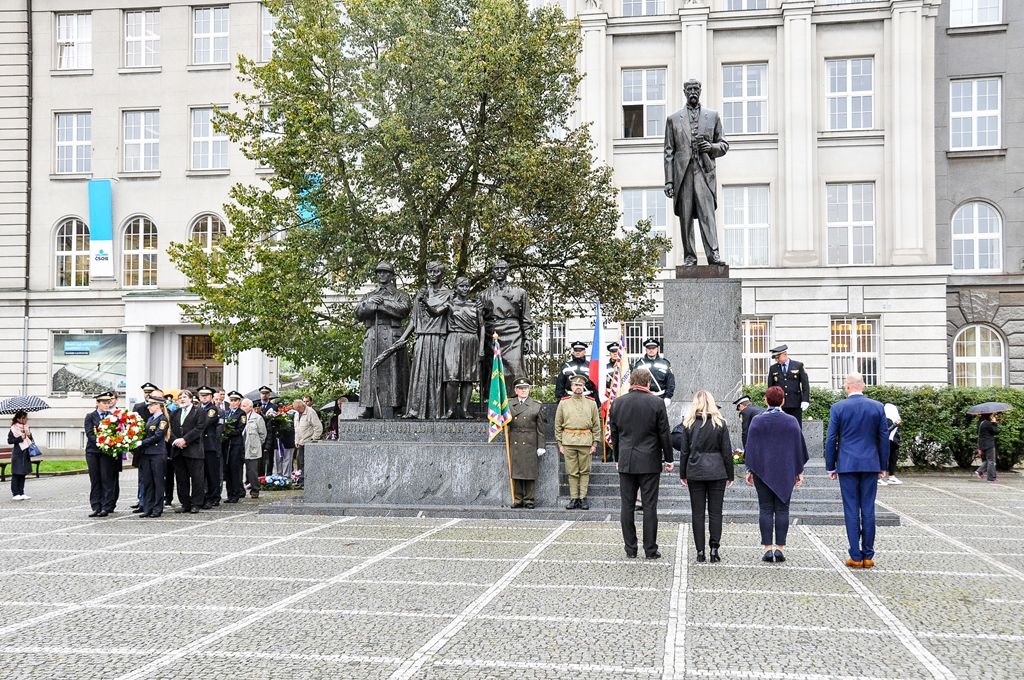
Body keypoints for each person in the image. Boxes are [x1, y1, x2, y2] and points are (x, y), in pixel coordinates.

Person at [825, 372, 889, 569]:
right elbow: (883, 438)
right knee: (868, 508)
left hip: (847, 464)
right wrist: (883, 465)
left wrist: (831, 465)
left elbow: (831, 438)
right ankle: (868, 555)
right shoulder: (877, 407)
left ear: (847, 387)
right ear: (863, 385)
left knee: (851, 509)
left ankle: (855, 555)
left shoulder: (838, 407)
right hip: (870, 463)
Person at [609, 367, 674, 560]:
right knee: (649, 506)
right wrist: (669, 458)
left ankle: (630, 549)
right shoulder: (657, 403)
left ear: (631, 382)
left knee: (627, 506)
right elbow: (664, 433)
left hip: (626, 460)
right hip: (649, 461)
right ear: (648, 383)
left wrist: (617, 458)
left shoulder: (618, 403)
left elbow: (614, 434)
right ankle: (650, 549)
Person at [663, 78, 729, 266]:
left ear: (700, 91)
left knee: (707, 215)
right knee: (685, 218)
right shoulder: (673, 119)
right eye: (689, 89)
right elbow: (668, 152)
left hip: (704, 173)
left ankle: (713, 254)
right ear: (684, 92)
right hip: (683, 174)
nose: (693, 92)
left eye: (695, 89)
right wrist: (669, 181)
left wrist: (711, 147)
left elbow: (724, 145)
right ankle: (689, 257)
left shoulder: (712, 116)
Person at [743, 386, 808, 563]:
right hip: (785, 471)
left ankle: (767, 549)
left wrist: (750, 470)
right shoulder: (791, 421)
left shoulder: (757, 421)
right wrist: (799, 471)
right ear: (783, 401)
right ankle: (780, 549)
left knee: (765, 508)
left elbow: (751, 447)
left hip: (762, 470)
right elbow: (798, 448)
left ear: (765, 400)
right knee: (782, 509)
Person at [676, 390, 734, 563]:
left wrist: (683, 473)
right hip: (717, 471)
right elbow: (727, 452)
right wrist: (730, 474)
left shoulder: (689, 423)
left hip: (695, 470)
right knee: (716, 513)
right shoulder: (720, 423)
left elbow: (684, 452)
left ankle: (700, 551)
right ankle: (714, 549)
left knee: (698, 513)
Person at [355, 261, 413, 419]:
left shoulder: (401, 295)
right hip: (373, 335)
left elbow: (404, 310)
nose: (382, 275)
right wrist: (370, 303)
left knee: (396, 371)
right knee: (371, 370)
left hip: (392, 335)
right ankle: (369, 405)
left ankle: (398, 406)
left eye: (385, 272)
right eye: (379, 272)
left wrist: (383, 304)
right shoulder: (369, 296)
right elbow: (358, 312)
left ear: (391, 275)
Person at [404, 261, 451, 420]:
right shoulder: (421, 293)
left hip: (438, 338)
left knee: (437, 375)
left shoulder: (449, 294)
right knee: (419, 374)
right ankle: (415, 410)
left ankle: (436, 411)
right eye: (430, 271)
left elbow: (437, 312)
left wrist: (424, 301)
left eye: (436, 271)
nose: (432, 274)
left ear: (442, 274)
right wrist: (403, 339)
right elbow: (414, 319)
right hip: (421, 338)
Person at [480, 259, 534, 388]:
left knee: (515, 366)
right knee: (492, 368)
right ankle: (492, 397)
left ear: (507, 271)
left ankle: (515, 396)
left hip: (513, 334)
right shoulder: (483, 294)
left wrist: (527, 338)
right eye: (496, 269)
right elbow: (480, 320)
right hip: (492, 334)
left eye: (502, 268)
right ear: (492, 271)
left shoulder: (520, 292)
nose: (499, 271)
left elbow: (525, 317)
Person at [438, 277, 484, 419]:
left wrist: (481, 347)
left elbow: (482, 326)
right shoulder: (450, 304)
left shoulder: (475, 305)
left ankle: (464, 409)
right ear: (456, 288)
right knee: (452, 377)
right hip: (454, 339)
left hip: (471, 340)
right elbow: (435, 312)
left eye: (467, 286)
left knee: (468, 378)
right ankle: (451, 409)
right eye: (461, 286)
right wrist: (425, 303)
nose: (465, 288)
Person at [555, 375, 601, 510]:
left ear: (583, 387)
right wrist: (560, 444)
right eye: (575, 385)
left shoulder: (591, 403)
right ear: (571, 387)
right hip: (568, 441)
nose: (578, 387)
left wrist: (595, 443)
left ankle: (583, 498)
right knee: (572, 472)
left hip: (586, 442)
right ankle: (574, 498)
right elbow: (558, 425)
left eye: (580, 385)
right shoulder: (564, 403)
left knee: (585, 471)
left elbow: (596, 425)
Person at [507, 380, 546, 509]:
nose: (523, 390)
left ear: (529, 389)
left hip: (530, 442)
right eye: (520, 388)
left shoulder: (536, 405)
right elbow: (505, 423)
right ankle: (518, 499)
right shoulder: (509, 404)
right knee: (516, 471)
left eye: (526, 388)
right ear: (516, 390)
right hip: (515, 440)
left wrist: (541, 446)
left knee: (529, 472)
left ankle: (529, 499)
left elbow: (540, 428)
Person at [169, 390, 206, 513]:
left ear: (190, 399)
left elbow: (199, 428)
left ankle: (196, 503)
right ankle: (185, 503)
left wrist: (185, 440)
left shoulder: (199, 411)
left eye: (184, 397)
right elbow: (169, 430)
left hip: (193, 450)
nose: (182, 399)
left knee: (197, 479)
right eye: (180, 397)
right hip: (178, 451)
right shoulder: (175, 413)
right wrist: (175, 441)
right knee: (181, 479)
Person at [84, 391, 119, 517]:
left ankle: (106, 506)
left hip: (106, 453)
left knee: (106, 479)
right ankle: (96, 506)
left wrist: (111, 444)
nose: (106, 405)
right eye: (104, 403)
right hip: (93, 452)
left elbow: (117, 433)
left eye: (108, 403)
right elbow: (90, 434)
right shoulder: (90, 416)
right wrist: (102, 443)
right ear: (97, 403)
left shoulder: (112, 417)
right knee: (95, 479)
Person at [135, 395, 169, 518]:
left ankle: (157, 508)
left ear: (158, 406)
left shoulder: (163, 419)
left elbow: (158, 436)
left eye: (151, 405)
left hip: (157, 454)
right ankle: (148, 508)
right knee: (148, 481)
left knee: (158, 481)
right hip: (147, 454)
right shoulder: (150, 419)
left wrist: (142, 442)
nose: (148, 407)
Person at [766, 345, 810, 428]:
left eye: (778, 357)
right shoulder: (773, 368)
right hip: (780, 404)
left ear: (785, 355)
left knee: (795, 427)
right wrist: (770, 401)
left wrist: (805, 400)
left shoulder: (798, 365)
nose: (776, 360)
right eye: (775, 358)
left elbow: (805, 384)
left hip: (795, 403)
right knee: (781, 427)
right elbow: (770, 387)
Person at [196, 386, 223, 508]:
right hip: (199, 445)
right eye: (202, 395)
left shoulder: (212, 409)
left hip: (209, 445)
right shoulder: (197, 408)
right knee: (201, 474)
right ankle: (203, 496)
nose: (204, 397)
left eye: (206, 395)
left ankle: (214, 497)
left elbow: (205, 423)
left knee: (212, 473)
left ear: (211, 397)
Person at [631, 339, 675, 407]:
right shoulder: (639, 364)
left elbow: (670, 382)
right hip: (643, 398)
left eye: (653, 348)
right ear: (646, 349)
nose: (651, 350)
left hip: (661, 397)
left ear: (657, 349)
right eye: (649, 348)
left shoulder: (665, 363)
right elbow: (634, 381)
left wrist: (668, 397)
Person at [241, 399, 267, 498]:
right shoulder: (240, 417)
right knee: (239, 470)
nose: (242, 408)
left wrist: (256, 444)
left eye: (244, 406)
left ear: (250, 407)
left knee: (252, 470)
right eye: (242, 406)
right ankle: (240, 490)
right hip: (240, 446)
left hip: (252, 448)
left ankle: (255, 490)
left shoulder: (257, 418)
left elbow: (263, 434)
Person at [222, 391, 246, 503]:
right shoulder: (227, 413)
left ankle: (236, 494)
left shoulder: (241, 414)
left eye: (235, 400)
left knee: (235, 469)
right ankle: (229, 494)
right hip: (227, 444)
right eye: (231, 400)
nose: (233, 402)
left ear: (239, 402)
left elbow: (240, 429)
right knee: (227, 470)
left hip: (236, 445)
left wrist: (228, 431)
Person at [7, 411, 34, 501]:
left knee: (23, 473)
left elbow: (30, 440)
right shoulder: (13, 428)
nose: (26, 419)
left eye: (26, 418)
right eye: (25, 418)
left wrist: (29, 435)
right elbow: (10, 441)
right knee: (16, 473)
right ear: (19, 419)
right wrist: (20, 438)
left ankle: (21, 492)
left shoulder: (26, 427)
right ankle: (15, 493)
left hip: (25, 452)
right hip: (18, 453)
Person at [292, 398, 323, 472]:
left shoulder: (311, 412)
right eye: (296, 410)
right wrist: (296, 441)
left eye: (298, 409)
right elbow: (296, 429)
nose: (298, 411)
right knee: (300, 463)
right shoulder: (297, 414)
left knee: (307, 464)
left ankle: (305, 478)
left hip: (308, 442)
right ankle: (301, 477)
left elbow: (318, 427)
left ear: (302, 406)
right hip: (300, 442)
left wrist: (313, 439)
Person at [882, 402, 903, 485]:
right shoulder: (887, 420)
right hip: (886, 442)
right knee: (885, 459)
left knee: (893, 458)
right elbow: (885, 432)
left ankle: (891, 476)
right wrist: (895, 424)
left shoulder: (890, 419)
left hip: (891, 442)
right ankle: (879, 478)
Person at [976, 412, 998, 483]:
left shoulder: (980, 423)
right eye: (991, 415)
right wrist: (994, 423)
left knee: (988, 460)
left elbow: (980, 435)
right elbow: (996, 431)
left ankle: (980, 471)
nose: (992, 416)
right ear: (988, 415)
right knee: (991, 461)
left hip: (983, 444)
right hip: (989, 444)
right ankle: (990, 478)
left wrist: (979, 447)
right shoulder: (988, 423)